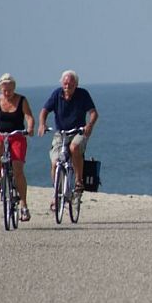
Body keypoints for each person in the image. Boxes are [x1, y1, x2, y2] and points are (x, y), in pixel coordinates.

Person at [38, 70, 98, 210]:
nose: (67, 86)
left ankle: (78, 181)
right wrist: (42, 123)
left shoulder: (83, 94)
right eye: (65, 83)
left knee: (74, 148)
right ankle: (57, 194)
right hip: (61, 133)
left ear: (76, 84)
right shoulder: (57, 94)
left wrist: (89, 125)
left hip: (78, 131)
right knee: (55, 163)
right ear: (61, 83)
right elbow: (44, 110)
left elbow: (94, 113)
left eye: (70, 84)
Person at [0, 74, 35, 221]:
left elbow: (29, 116)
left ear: (14, 88)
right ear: (0, 89)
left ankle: (24, 205)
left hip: (17, 135)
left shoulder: (21, 100)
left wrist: (30, 128)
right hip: (0, 134)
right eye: (4, 90)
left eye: (10, 90)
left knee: (18, 169)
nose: (7, 93)